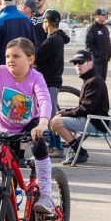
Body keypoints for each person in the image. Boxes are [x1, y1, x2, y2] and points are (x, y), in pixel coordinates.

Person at [0, 38, 54, 212]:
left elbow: (44, 100)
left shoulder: (36, 77)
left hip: (30, 124)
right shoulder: (0, 72)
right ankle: (9, 219)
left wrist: (43, 123)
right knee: (5, 168)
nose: (10, 60)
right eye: (7, 56)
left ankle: (46, 196)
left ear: (30, 59)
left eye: (16, 56)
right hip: (4, 128)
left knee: (38, 145)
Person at [50, 50, 110, 166]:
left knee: (56, 123)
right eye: (75, 63)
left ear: (90, 63)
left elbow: (85, 109)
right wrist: (65, 112)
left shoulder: (94, 82)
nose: (77, 65)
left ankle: (80, 152)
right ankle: (76, 150)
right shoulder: (90, 79)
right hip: (92, 119)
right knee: (57, 120)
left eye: (80, 62)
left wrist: (64, 113)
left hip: (96, 122)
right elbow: (85, 107)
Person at [34, 9, 70, 158]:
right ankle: (55, 145)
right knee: (49, 113)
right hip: (50, 79)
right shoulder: (56, 38)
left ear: (47, 22)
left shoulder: (53, 40)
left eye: (43, 21)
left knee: (50, 114)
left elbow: (37, 56)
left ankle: (58, 147)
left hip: (50, 81)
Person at [85, 8, 111, 80]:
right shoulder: (92, 29)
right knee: (96, 81)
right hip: (96, 61)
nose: (105, 16)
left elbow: (108, 42)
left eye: (106, 15)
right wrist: (97, 55)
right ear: (97, 16)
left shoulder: (104, 28)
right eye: (103, 15)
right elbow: (88, 45)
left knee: (102, 81)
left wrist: (110, 52)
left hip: (105, 60)